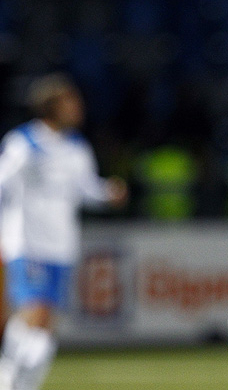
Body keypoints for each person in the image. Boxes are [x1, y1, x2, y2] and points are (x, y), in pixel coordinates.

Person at [0, 72, 128, 390]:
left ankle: (21, 382)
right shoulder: (23, 143)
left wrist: (108, 193)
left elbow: (86, 189)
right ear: (52, 106)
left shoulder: (75, 148)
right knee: (36, 311)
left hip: (61, 246)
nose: (78, 108)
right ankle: (7, 373)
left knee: (47, 324)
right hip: (27, 243)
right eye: (71, 102)